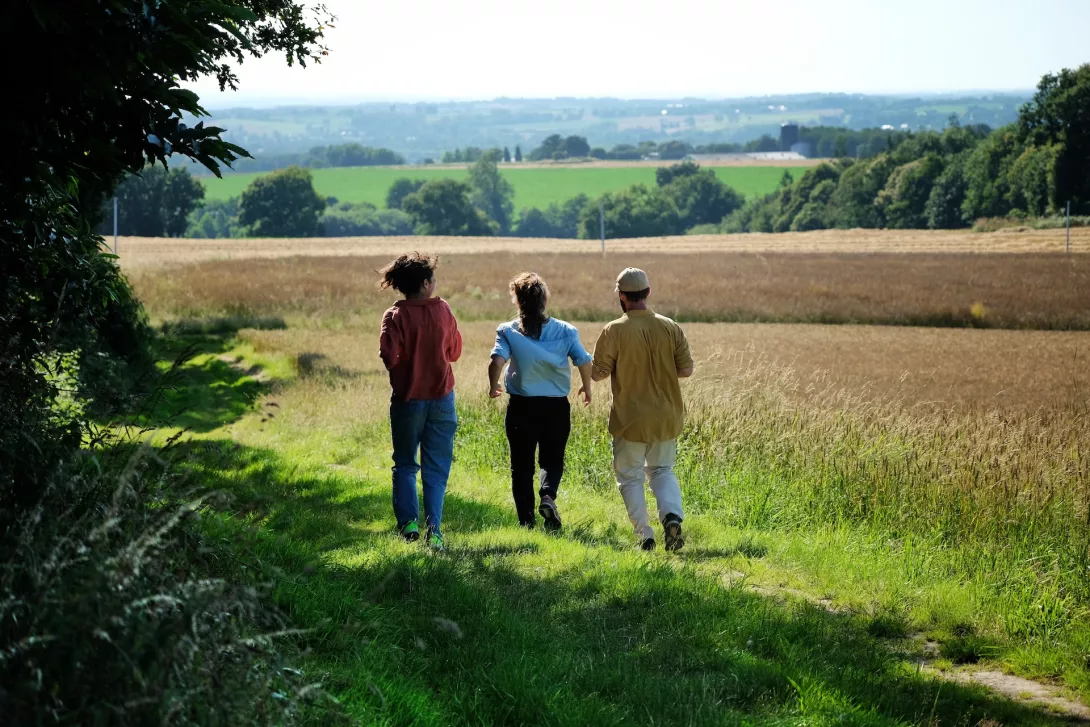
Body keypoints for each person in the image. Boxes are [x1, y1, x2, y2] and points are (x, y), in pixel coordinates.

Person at [591, 267, 694, 551]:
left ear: (622, 296)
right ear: (647, 293)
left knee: (630, 477)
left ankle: (644, 534)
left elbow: (598, 373)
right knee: (662, 470)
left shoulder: (613, 330)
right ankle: (672, 516)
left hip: (629, 418)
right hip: (666, 415)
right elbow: (686, 369)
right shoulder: (670, 326)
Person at [488, 272, 593, 530]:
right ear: (545, 299)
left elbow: (497, 361)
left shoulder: (508, 331)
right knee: (552, 459)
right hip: (556, 406)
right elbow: (584, 360)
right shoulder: (566, 330)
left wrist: (494, 385)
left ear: (517, 301)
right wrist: (586, 386)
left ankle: (527, 522)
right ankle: (547, 495)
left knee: (521, 466)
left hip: (522, 406)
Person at [378, 253, 462, 551]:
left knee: (404, 463)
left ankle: (409, 524)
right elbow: (454, 352)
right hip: (442, 398)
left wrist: (405, 369)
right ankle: (435, 532)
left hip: (408, 400)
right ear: (425, 284)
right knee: (436, 468)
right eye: (433, 280)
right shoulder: (443, 310)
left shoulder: (394, 316)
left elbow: (389, 357)